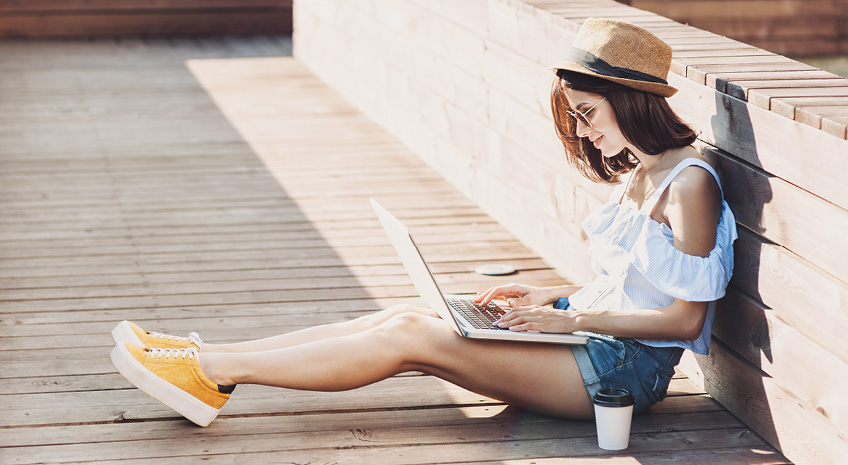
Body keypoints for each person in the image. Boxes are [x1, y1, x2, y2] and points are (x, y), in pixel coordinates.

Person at [109, 18, 737, 428]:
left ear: (629, 101)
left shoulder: (689, 187)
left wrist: (570, 319)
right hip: (590, 341)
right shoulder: (644, 172)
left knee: (413, 337)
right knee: (406, 316)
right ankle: (203, 358)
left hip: (621, 371)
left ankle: (212, 373)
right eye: (574, 115)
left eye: (586, 111)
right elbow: (634, 284)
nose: (581, 129)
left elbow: (684, 319)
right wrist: (554, 296)